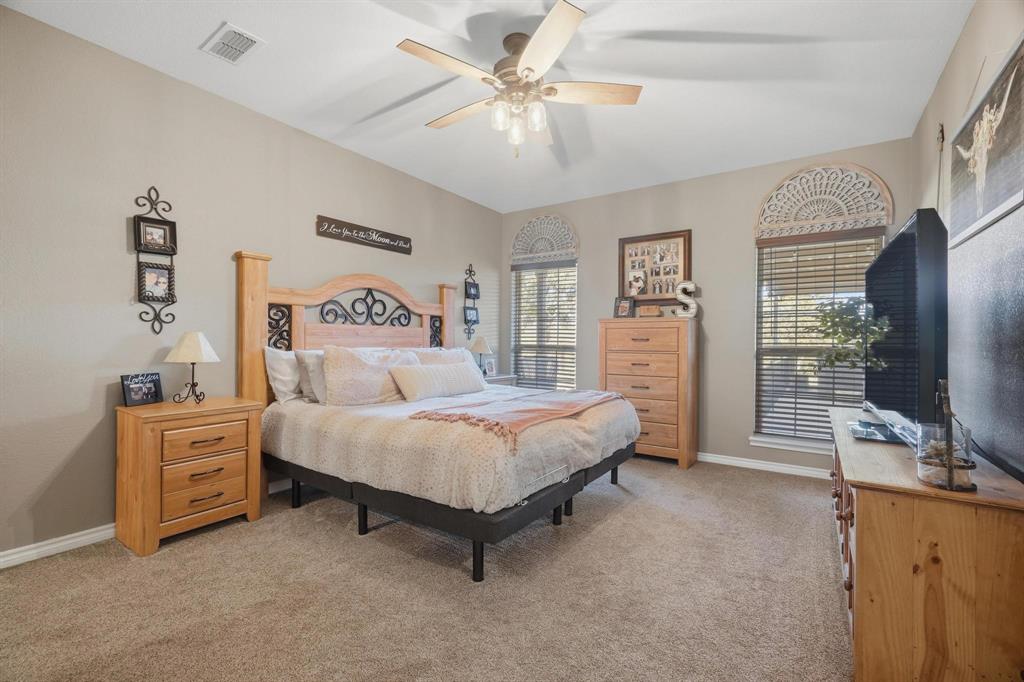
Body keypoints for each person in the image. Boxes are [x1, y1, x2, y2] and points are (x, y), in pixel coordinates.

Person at [956, 64, 1017, 218]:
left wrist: (1012, 74)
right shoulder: (978, 141)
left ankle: (980, 210)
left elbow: (1002, 105)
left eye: (987, 111)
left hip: (981, 159)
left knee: (980, 184)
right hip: (979, 158)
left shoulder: (989, 128)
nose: (987, 111)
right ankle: (980, 210)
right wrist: (958, 147)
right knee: (979, 185)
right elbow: (967, 154)